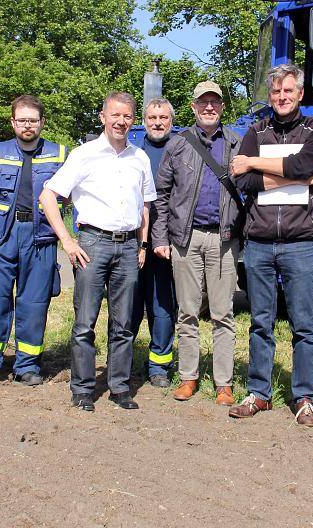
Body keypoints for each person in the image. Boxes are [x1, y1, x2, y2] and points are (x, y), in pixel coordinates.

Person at [39, 91, 156, 412]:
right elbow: (48, 196)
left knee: (124, 324)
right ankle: (83, 389)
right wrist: (67, 240)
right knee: (85, 323)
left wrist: (143, 244)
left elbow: (145, 206)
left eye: (127, 116)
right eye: (115, 115)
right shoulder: (83, 154)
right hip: (92, 244)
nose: (121, 121)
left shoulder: (140, 157)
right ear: (103, 117)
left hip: (129, 246)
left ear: (133, 120)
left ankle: (119, 387)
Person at [228, 64, 313, 426]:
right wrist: (291, 177)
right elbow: (240, 181)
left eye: (288, 91)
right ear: (269, 96)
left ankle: (305, 397)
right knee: (260, 322)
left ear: (300, 94)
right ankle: (259, 392)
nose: (282, 97)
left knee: (304, 324)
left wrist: (254, 163)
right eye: (276, 92)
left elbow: (305, 162)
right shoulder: (256, 130)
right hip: (259, 243)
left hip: (301, 243)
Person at [0, 95, 67, 391]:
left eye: (33, 120)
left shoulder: (59, 154)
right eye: (22, 120)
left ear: (42, 122)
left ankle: (27, 366)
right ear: (13, 122)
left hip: (41, 237)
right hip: (0, 237)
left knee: (34, 303)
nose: (28, 125)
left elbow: (67, 196)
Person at [152, 81, 243, 406]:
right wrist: (160, 237)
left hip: (224, 239)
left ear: (221, 107)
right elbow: (162, 195)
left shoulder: (236, 143)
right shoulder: (178, 145)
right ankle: (188, 378)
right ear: (192, 107)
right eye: (202, 103)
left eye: (214, 103)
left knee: (223, 313)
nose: (208, 108)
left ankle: (223, 384)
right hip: (185, 240)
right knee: (187, 313)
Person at [132, 98, 178, 388]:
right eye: (152, 118)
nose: (158, 122)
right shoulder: (133, 153)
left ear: (172, 120)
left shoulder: (182, 149)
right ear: (144, 120)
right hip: (134, 242)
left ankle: (159, 366)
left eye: (163, 117)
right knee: (130, 305)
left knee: (162, 305)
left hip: (166, 243)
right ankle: (122, 360)